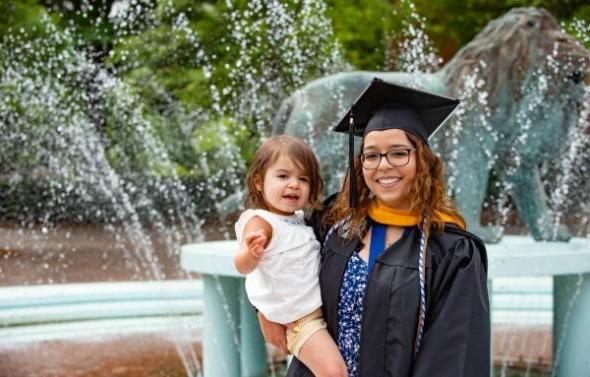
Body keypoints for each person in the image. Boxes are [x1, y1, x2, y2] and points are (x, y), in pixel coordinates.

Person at [259, 78, 491, 376]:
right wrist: (264, 309)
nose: (383, 165)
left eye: (398, 152)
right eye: (371, 155)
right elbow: (276, 247)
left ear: (423, 160)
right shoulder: (332, 222)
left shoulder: (451, 251)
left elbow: (452, 357)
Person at [234, 135, 348, 377]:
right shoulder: (261, 222)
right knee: (334, 373)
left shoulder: (297, 220)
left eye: (303, 179)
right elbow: (242, 266)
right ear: (258, 182)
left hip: (315, 316)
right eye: (283, 176)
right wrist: (250, 254)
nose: (294, 184)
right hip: (301, 322)